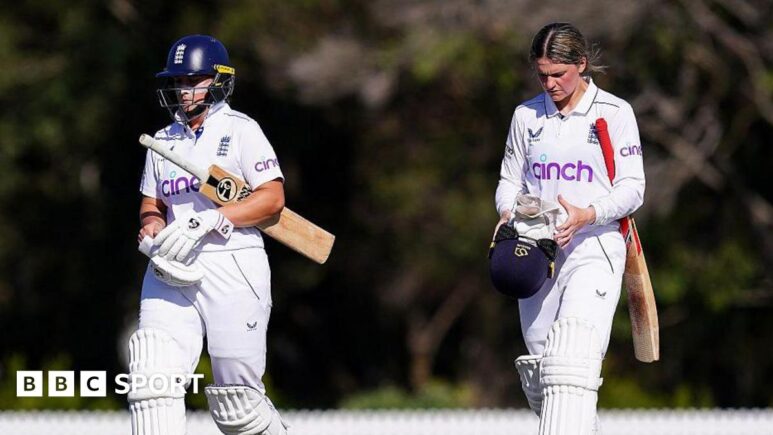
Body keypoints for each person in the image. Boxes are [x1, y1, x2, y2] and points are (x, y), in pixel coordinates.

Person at [130, 34, 288, 435]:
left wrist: (212, 219)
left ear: (219, 81)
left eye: (194, 81)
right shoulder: (162, 141)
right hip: (171, 266)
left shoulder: (241, 130)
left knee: (238, 407)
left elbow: (272, 199)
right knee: (152, 379)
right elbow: (152, 204)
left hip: (232, 262)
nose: (184, 91)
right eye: (179, 82)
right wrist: (153, 226)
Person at [494, 23, 645, 434]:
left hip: (594, 246)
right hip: (537, 250)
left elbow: (633, 188)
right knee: (543, 372)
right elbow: (509, 180)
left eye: (559, 74)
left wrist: (588, 213)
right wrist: (508, 212)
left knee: (572, 359)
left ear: (581, 63)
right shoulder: (526, 115)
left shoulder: (613, 112)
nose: (550, 84)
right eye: (542, 74)